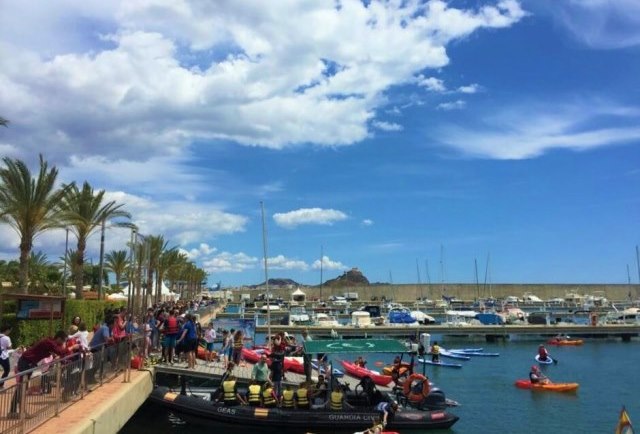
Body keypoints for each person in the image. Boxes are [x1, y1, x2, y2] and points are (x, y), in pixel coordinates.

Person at [10, 331, 69, 417]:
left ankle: (15, 411)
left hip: (28, 362)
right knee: (22, 387)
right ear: (59, 338)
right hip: (26, 362)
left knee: (22, 387)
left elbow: (59, 352)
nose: (64, 343)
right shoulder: (49, 342)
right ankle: (16, 412)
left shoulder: (50, 342)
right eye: (64, 341)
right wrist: (71, 347)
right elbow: (61, 352)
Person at [0, 324, 12, 388]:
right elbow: (9, 347)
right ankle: (0, 385)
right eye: (9, 330)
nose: (9, 332)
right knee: (7, 370)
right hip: (3, 356)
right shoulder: (6, 338)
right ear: (7, 330)